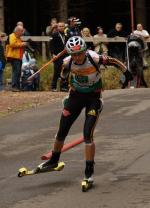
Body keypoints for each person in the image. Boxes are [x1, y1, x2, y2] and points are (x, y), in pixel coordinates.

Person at [36, 36, 133, 185]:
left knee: (87, 134)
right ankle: (54, 160)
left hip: (93, 98)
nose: (77, 57)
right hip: (75, 96)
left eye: (80, 53)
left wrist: (126, 73)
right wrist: (63, 79)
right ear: (70, 54)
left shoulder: (94, 57)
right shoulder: (67, 62)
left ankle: (89, 171)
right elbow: (63, 75)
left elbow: (113, 61)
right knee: (62, 130)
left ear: (84, 50)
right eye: (74, 54)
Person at [6, 25, 27, 91]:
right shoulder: (12, 36)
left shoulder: (18, 37)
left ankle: (17, 87)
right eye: (21, 31)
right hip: (13, 56)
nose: (22, 33)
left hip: (18, 57)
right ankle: (14, 86)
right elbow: (12, 44)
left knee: (18, 72)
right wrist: (22, 44)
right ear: (17, 31)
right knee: (16, 71)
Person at [49, 21, 68, 91]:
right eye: (59, 26)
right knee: (57, 71)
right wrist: (53, 54)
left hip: (65, 55)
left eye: (62, 26)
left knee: (65, 71)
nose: (61, 27)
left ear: (64, 27)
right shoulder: (54, 34)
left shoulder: (67, 35)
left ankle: (64, 87)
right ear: (57, 27)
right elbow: (51, 45)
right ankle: (53, 87)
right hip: (57, 55)